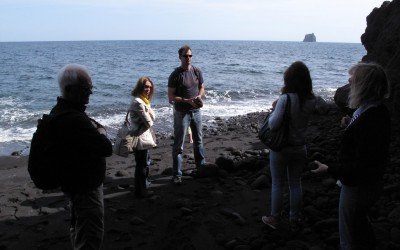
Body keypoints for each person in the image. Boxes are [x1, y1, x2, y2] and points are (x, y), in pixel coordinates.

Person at [312, 62, 390, 249]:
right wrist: (350, 125)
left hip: (358, 186)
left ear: (364, 86)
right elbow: (366, 145)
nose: (349, 81)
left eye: (353, 80)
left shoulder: (370, 119)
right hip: (369, 182)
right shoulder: (374, 110)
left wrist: (329, 169)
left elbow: (360, 166)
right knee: (359, 225)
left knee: (349, 234)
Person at [51, 64, 112, 249]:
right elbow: (106, 148)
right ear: (70, 90)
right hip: (86, 187)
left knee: (78, 226)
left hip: (73, 184)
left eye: (91, 89)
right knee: (90, 236)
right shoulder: (75, 119)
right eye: (86, 89)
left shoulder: (60, 112)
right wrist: (101, 131)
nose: (90, 94)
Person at [261, 61, 316, 231]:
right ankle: (295, 217)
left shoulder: (285, 99)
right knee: (295, 183)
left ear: (289, 80)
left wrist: (274, 109)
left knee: (278, 183)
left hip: (282, 148)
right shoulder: (311, 100)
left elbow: (274, 125)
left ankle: (275, 218)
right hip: (300, 147)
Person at [168, 45, 205, 184]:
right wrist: (186, 101)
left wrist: (198, 97)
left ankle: (201, 168)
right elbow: (171, 97)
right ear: (180, 57)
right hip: (181, 112)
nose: (188, 58)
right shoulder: (175, 75)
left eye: (190, 56)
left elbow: (202, 87)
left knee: (199, 140)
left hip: (196, 111)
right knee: (179, 145)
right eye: (185, 56)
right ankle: (177, 175)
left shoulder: (197, 71)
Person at [129, 76, 156, 198]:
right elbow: (150, 122)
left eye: (150, 87)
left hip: (142, 137)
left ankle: (141, 188)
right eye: (146, 86)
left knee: (143, 164)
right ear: (140, 87)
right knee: (142, 165)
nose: (148, 89)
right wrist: (149, 111)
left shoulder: (144, 101)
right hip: (140, 138)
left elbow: (151, 119)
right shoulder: (139, 102)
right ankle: (140, 191)